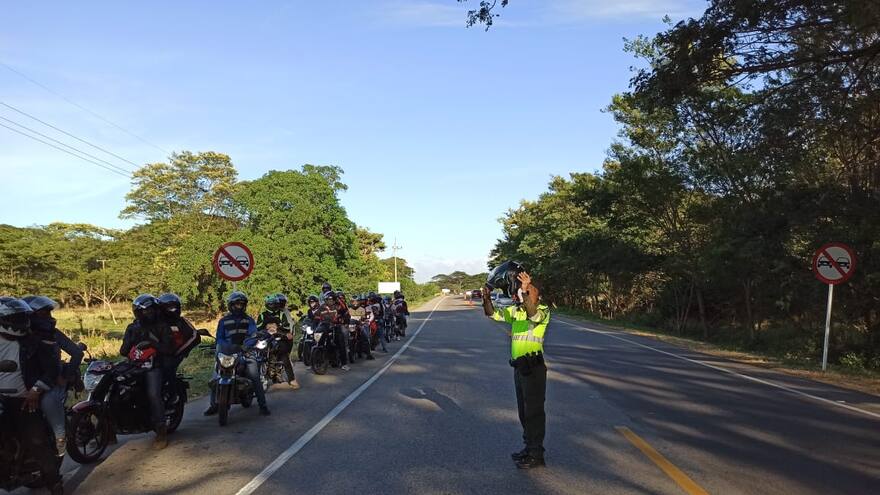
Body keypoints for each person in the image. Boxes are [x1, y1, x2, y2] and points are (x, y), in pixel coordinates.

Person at [482, 261, 550, 469]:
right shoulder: (517, 312)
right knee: (523, 413)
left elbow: (533, 314)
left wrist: (526, 289)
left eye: (530, 293)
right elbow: (491, 314)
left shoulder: (542, 311)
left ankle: (537, 455)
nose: (523, 295)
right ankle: (528, 448)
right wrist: (486, 297)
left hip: (534, 369)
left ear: (536, 295)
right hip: (520, 369)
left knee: (534, 413)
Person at [0, 297, 64, 494]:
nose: (21, 322)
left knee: (37, 441)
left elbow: (51, 369)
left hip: (24, 401)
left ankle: (54, 482)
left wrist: (36, 390)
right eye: (15, 319)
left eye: (22, 317)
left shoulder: (33, 342)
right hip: (1, 400)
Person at [24, 295, 83, 457]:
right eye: (44, 314)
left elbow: (77, 353)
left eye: (49, 313)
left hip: (53, 379)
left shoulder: (52, 334)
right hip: (27, 381)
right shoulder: (21, 336)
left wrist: (66, 375)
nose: (49, 318)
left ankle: (60, 437)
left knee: (48, 401)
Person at [119, 294, 176, 449]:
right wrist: (131, 341)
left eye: (150, 310)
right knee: (116, 386)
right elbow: (123, 351)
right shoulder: (132, 327)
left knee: (153, 394)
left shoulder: (162, 326)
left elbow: (169, 349)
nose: (147, 313)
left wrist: (151, 343)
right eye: (144, 311)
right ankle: (108, 429)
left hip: (155, 366)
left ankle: (161, 430)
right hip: (134, 365)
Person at [204, 291, 270, 416]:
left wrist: (247, 345)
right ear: (230, 305)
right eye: (236, 304)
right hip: (227, 353)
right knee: (216, 376)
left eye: (241, 304)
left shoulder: (249, 320)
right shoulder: (223, 321)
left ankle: (263, 405)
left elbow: (253, 335)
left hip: (245, 352)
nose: (239, 307)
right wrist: (221, 347)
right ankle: (213, 405)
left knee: (254, 376)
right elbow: (220, 337)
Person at [157, 293, 201, 398]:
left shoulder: (181, 321)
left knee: (167, 368)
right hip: (157, 352)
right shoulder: (156, 321)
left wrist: (178, 352)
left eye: (175, 306)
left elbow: (195, 336)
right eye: (169, 307)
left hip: (174, 354)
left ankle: (172, 395)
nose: (173, 310)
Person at [256, 293, 300, 389]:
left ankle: (292, 379)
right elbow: (257, 327)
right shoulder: (262, 315)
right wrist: (264, 329)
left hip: (278, 338)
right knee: (255, 355)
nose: (272, 305)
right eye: (270, 303)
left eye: (274, 303)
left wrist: (279, 330)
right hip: (266, 339)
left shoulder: (281, 314)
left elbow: (286, 326)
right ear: (267, 304)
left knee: (284, 356)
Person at [315, 290, 349, 371]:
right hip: (325, 326)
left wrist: (344, 321)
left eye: (331, 299)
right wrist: (318, 318)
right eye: (327, 299)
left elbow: (345, 311)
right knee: (318, 340)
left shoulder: (338, 306)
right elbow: (315, 315)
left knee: (340, 343)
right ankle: (315, 360)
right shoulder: (322, 307)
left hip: (336, 326)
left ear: (334, 300)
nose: (329, 301)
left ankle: (344, 364)